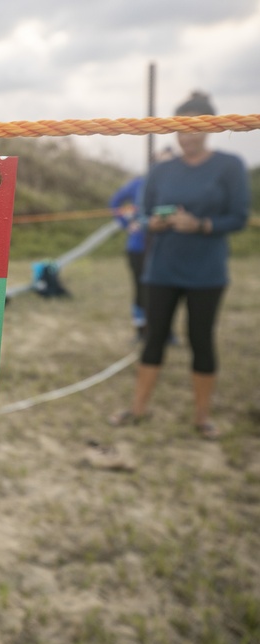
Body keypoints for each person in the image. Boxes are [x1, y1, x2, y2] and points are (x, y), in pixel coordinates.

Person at [109, 91, 250, 439]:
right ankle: (137, 408)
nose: (188, 135)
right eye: (182, 127)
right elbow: (144, 211)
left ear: (211, 127)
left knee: (201, 339)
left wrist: (201, 225)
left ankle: (202, 417)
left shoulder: (230, 167)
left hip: (207, 271)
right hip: (162, 269)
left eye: (196, 127)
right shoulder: (161, 170)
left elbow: (239, 217)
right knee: (154, 336)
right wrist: (152, 222)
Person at [109, 147, 176, 341]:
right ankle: (140, 331)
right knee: (141, 289)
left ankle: (166, 331)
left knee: (167, 290)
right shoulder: (139, 183)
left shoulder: (178, 186)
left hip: (167, 246)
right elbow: (115, 202)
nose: (164, 166)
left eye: (169, 162)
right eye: (160, 161)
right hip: (139, 246)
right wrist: (127, 223)